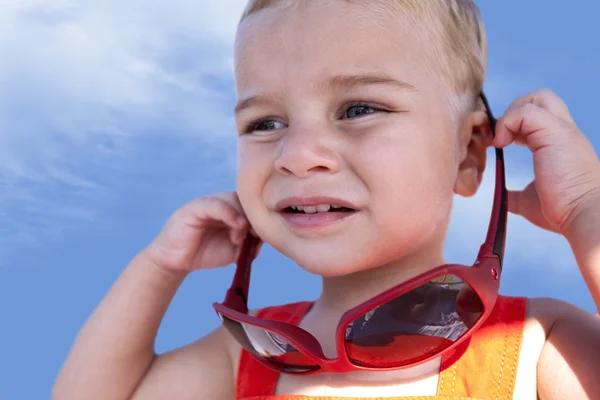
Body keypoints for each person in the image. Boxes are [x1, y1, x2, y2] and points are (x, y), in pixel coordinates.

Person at [52, 1, 600, 399]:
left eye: (359, 109)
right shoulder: (241, 359)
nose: (298, 154)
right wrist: (158, 266)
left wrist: (584, 207)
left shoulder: (536, 345)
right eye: (265, 122)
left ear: (469, 153)